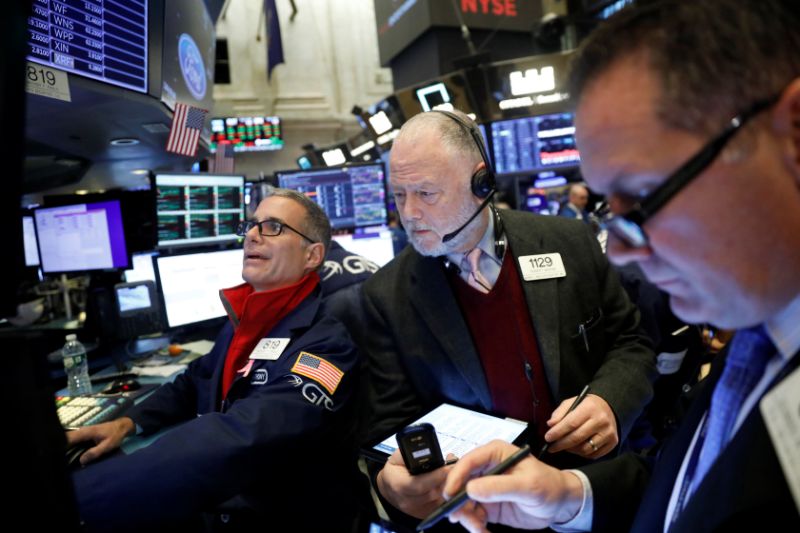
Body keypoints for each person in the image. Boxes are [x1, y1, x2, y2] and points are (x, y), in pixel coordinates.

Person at [443, 1, 800, 531]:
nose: (625, 250)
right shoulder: (759, 339)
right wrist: (570, 495)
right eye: (612, 206)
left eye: (645, 195)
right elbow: (694, 492)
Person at [360, 109, 656, 526]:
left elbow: (632, 340)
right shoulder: (384, 296)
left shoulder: (568, 242)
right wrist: (391, 482)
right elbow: (390, 424)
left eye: (426, 193)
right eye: (399, 195)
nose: (408, 213)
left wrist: (610, 400)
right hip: (482, 511)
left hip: (591, 491)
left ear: (481, 182)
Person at [66, 189, 359, 531]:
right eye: (250, 225)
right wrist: (128, 423)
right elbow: (194, 380)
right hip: (221, 501)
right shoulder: (246, 321)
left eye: (273, 227)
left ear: (312, 255)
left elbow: (240, 434)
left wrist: (77, 496)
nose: (251, 235)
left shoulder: (327, 346)